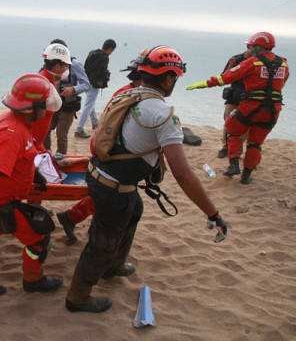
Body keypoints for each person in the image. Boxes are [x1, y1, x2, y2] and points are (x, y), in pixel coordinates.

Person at [66, 46, 229, 313]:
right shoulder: (163, 115)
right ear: (167, 79)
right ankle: (78, 297)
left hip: (99, 174)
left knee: (134, 210)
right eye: (174, 78)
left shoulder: (127, 94)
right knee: (103, 240)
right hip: (112, 186)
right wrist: (213, 213)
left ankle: (114, 265)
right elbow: (183, 174)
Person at [0, 74, 63, 300]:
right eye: (43, 107)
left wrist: (33, 173)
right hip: (0, 202)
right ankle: (33, 280)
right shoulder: (12, 133)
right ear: (32, 108)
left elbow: (18, 156)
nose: (46, 112)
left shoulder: (14, 121)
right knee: (38, 239)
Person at [56, 54, 144, 245]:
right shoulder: (133, 97)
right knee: (116, 202)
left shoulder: (129, 93)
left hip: (108, 152)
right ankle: (74, 220)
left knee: (110, 199)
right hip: (113, 155)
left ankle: (71, 217)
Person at [186, 32, 289, 184]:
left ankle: (234, 164)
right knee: (255, 143)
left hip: (251, 106)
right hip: (273, 110)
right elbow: (281, 83)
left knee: (232, 129)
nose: (250, 48)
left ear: (259, 47)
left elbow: (225, 77)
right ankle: (246, 176)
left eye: (251, 46)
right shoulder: (284, 64)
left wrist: (203, 84)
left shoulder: (252, 62)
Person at [44, 39, 91, 158]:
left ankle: (60, 158)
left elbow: (86, 84)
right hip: (53, 103)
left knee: (61, 133)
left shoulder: (74, 64)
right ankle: (47, 155)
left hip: (68, 106)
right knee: (45, 130)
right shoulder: (49, 63)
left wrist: (73, 89)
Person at [75, 39, 116, 138]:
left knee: (90, 102)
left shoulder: (92, 52)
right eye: (112, 51)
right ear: (110, 49)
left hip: (85, 81)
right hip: (94, 84)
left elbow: (86, 67)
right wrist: (105, 78)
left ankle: (95, 122)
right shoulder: (104, 57)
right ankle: (79, 129)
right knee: (88, 105)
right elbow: (101, 72)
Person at [35, 43, 69, 153]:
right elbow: (35, 117)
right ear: (57, 66)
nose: (66, 69)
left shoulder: (46, 79)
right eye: (65, 66)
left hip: (38, 141)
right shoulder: (44, 83)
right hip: (35, 140)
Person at [217, 51, 250, 158]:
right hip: (235, 95)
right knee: (227, 120)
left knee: (247, 124)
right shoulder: (236, 59)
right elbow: (223, 76)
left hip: (250, 97)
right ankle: (225, 147)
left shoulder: (260, 61)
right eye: (250, 46)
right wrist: (231, 67)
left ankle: (237, 149)